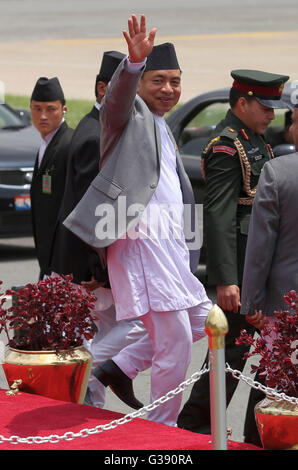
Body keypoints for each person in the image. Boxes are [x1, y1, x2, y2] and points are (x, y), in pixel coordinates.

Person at [64, 14, 212, 427]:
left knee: (204, 322)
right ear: (142, 84)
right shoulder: (125, 119)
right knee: (177, 341)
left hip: (171, 248)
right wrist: (131, 65)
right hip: (141, 247)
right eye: (158, 80)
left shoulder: (164, 126)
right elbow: (115, 102)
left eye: (175, 81)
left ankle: (115, 367)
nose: (168, 89)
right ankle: (163, 427)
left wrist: (189, 243)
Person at [177, 69, 289, 445]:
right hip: (240, 274)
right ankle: (194, 427)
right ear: (242, 103)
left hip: (258, 271)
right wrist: (226, 279)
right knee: (230, 360)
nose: (272, 114)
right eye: (265, 106)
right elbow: (220, 216)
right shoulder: (226, 147)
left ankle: (255, 434)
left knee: (271, 362)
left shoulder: (255, 140)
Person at [49, 51, 146, 409]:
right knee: (138, 325)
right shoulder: (94, 136)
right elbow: (90, 211)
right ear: (104, 88)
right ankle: (90, 371)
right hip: (91, 266)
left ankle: (91, 407)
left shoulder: (96, 128)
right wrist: (96, 269)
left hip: (90, 264)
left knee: (102, 331)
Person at [239, 106, 298, 437]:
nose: (289, 129)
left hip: (283, 307)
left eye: (292, 121)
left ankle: (257, 441)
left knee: (274, 386)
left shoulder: (277, 172)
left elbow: (259, 248)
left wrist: (252, 303)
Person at [30, 77, 73, 279]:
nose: (43, 116)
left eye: (50, 109)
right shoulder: (46, 143)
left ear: (64, 109)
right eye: (37, 109)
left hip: (63, 255)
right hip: (47, 252)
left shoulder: (69, 144)